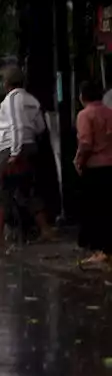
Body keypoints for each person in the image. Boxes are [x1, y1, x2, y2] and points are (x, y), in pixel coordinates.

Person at [0, 64, 55, 244]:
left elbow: (16, 125)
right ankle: (46, 229)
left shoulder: (12, 99)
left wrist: (15, 152)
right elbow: (40, 126)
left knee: (0, 190)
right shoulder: (31, 100)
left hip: (13, 149)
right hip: (30, 145)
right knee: (28, 190)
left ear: (7, 82)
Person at [75, 79, 112, 264]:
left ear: (82, 97)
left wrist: (79, 161)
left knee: (95, 209)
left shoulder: (84, 115)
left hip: (95, 168)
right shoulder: (110, 112)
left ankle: (100, 251)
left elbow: (86, 143)